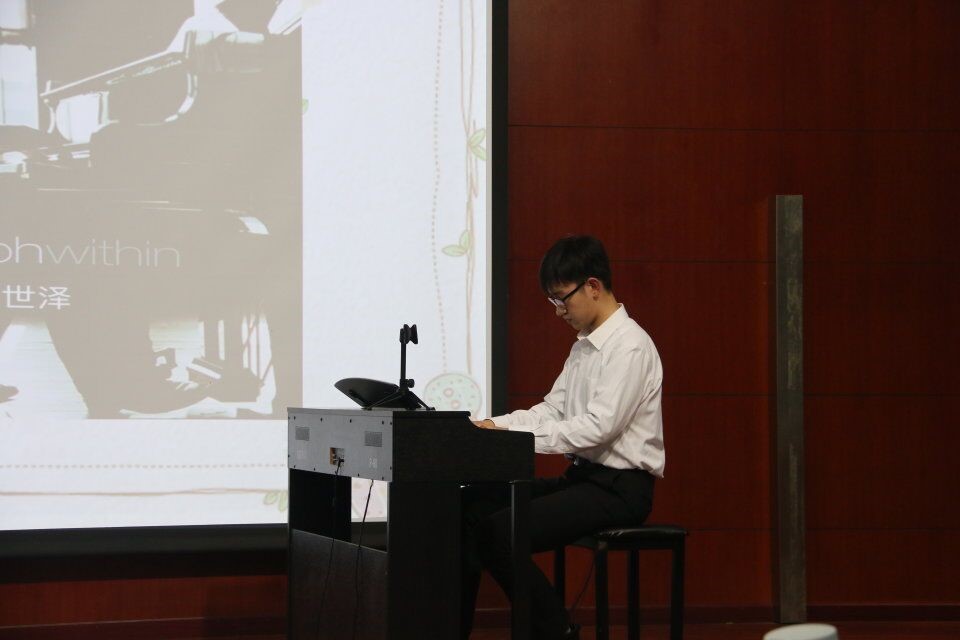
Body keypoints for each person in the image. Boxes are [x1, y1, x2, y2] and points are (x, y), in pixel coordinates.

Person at [464, 235, 665, 640]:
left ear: (593, 286)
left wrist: (516, 440)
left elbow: (598, 428)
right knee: (470, 507)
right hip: (584, 480)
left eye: (562, 299)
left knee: (499, 533)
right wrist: (495, 426)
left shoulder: (629, 347)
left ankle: (556, 630)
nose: (558, 311)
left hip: (620, 490)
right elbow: (552, 410)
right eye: (552, 301)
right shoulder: (584, 347)